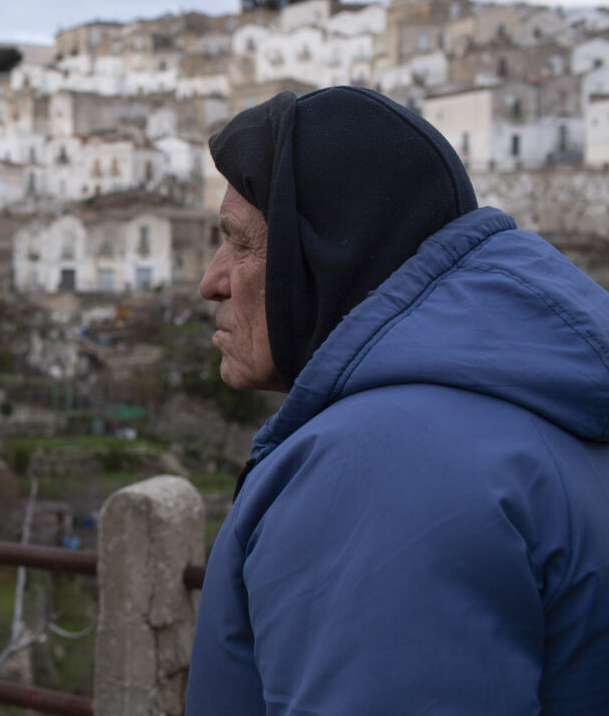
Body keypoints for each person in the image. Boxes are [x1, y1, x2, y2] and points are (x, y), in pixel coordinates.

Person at [186, 86, 609, 714]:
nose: (210, 282)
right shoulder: (528, 406)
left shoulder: (378, 470)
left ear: (328, 251)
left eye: (240, 242)